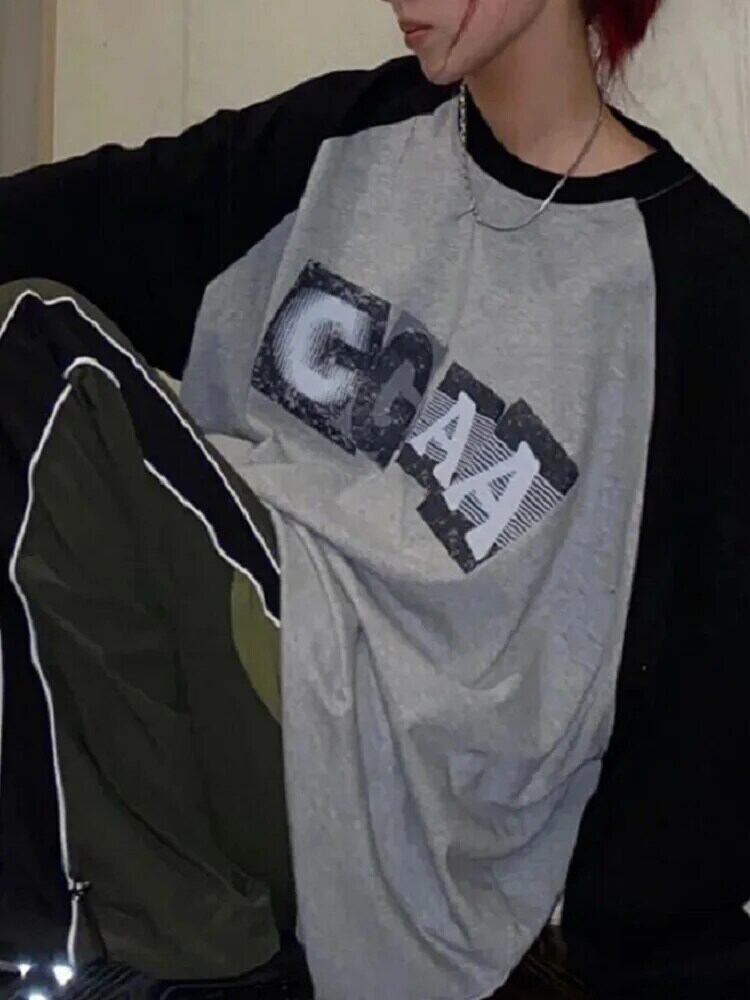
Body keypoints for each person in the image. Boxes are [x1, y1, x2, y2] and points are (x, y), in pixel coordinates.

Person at [0, 1, 748, 998]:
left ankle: (179, 957)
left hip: (404, 818)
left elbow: (691, 707)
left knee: (30, 346)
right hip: (245, 660)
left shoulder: (697, 286)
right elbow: (84, 218)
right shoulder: (349, 137)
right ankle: (153, 949)